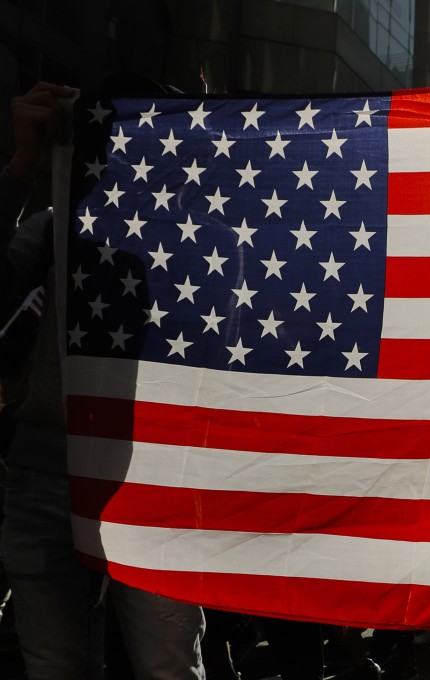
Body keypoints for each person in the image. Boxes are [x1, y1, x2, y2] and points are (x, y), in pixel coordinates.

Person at [1, 81, 206, 679]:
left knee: (167, 668)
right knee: (59, 667)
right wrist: (22, 166)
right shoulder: (52, 228)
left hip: (157, 484)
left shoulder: (202, 243)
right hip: (46, 478)